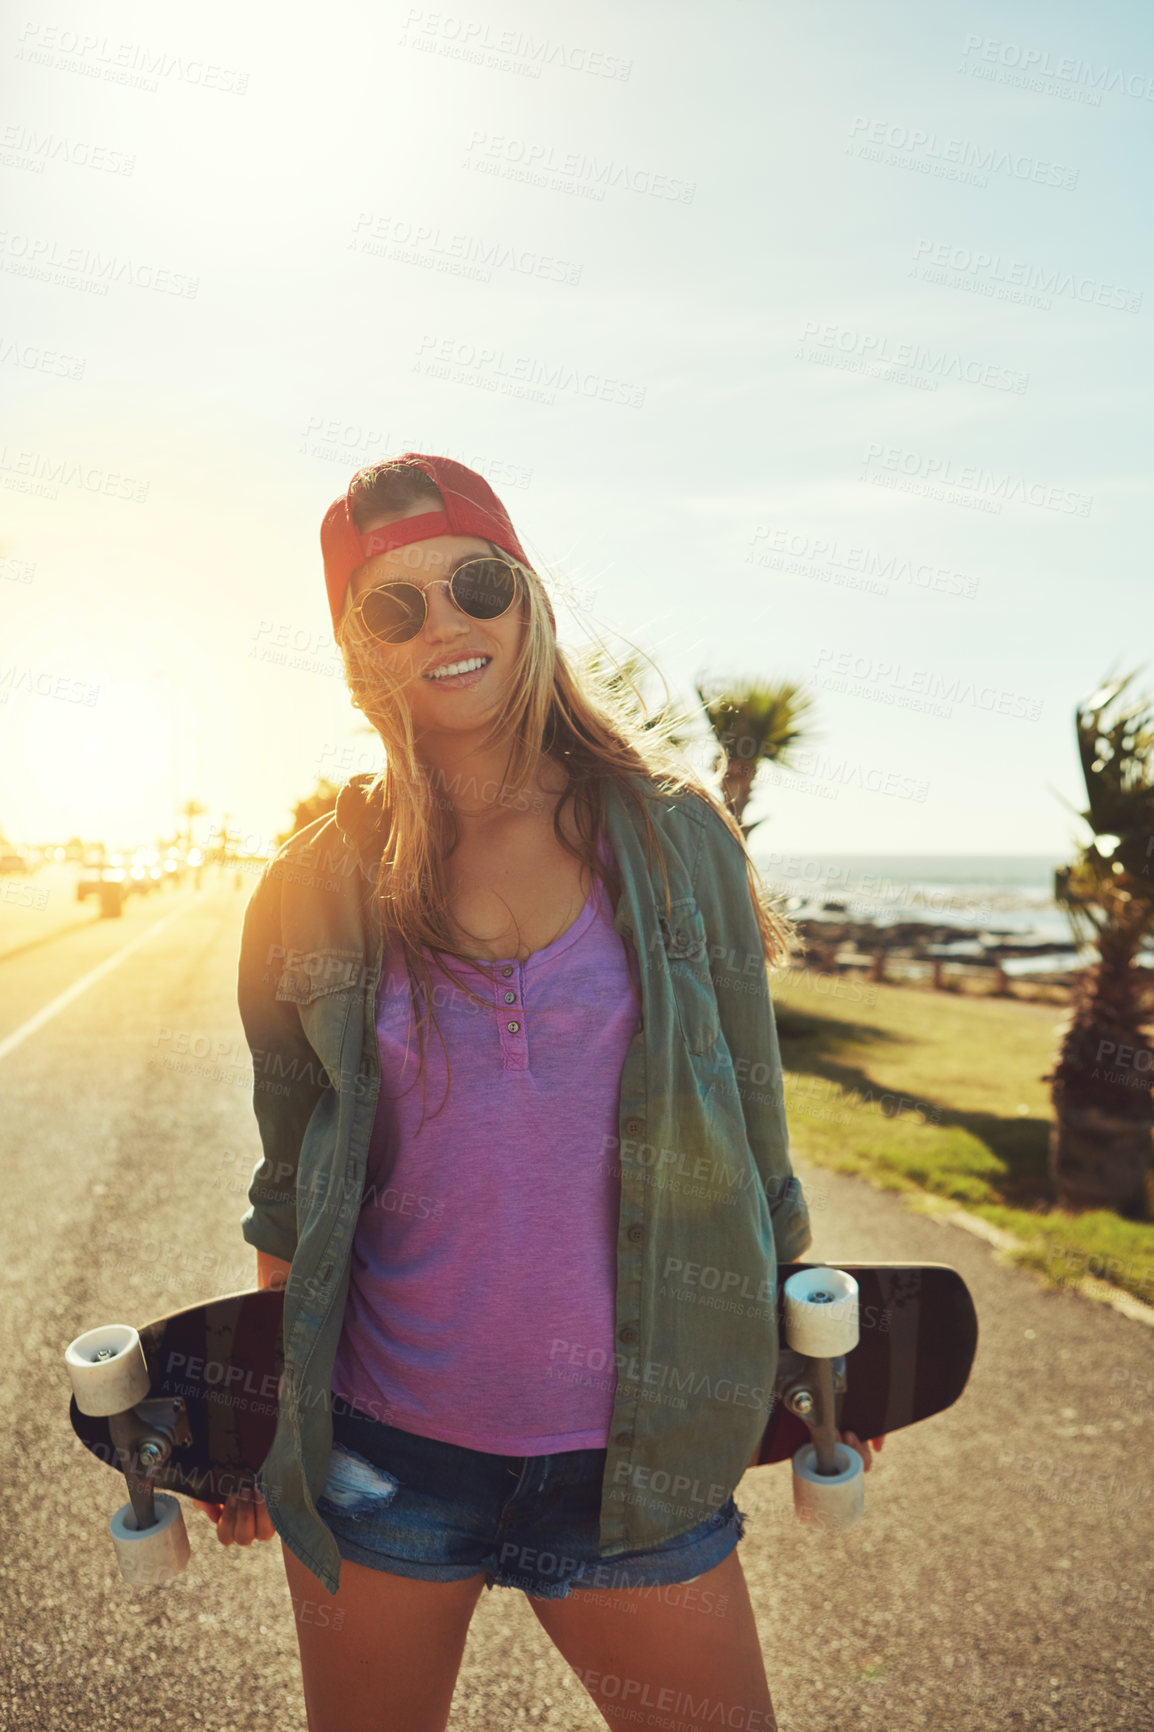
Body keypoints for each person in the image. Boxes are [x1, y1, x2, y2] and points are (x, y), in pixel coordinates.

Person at [198, 453, 883, 1732]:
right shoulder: (309, 889)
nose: (444, 626)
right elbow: (290, 1189)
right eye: (392, 608)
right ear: (358, 656)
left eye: (472, 584)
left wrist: (816, 1349)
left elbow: (751, 1124)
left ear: (526, 597)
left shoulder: (675, 838)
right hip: (377, 1456)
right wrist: (250, 1410)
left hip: (631, 1465)